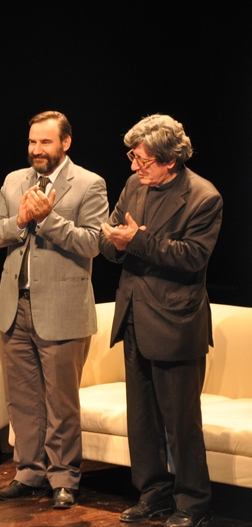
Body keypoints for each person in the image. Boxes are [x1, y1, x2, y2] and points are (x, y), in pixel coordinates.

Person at [0, 111, 108, 508]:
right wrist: (19, 221)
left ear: (65, 143)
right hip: (15, 307)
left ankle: (65, 478)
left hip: (62, 309)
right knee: (22, 398)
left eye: (46, 143)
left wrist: (48, 219)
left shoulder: (89, 184)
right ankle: (30, 471)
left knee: (60, 401)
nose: (37, 150)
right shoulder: (13, 181)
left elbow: (93, 243)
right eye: (33, 142)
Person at [100, 115, 221, 527]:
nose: (135, 167)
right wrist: (114, 242)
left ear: (170, 160)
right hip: (134, 313)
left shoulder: (204, 197)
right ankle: (153, 494)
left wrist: (137, 240)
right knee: (143, 418)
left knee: (180, 422)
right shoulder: (135, 185)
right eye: (133, 157)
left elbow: (191, 257)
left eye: (143, 159)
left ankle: (192, 504)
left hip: (174, 321)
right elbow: (112, 233)